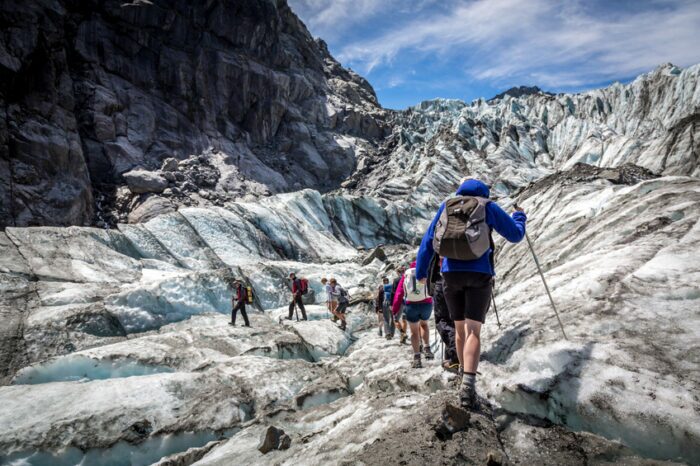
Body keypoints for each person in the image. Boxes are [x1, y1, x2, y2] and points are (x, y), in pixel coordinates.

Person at [416, 178, 526, 409]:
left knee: (459, 329)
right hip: (479, 274)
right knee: (474, 331)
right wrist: (520, 217)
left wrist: (421, 272)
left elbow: (427, 241)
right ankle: (468, 386)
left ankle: (459, 373)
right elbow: (515, 235)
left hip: (450, 275)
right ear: (484, 192)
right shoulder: (487, 206)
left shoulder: (447, 206)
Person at [392, 260, 434, 368]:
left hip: (411, 305)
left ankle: (417, 358)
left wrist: (395, 310)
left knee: (414, 332)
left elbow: (399, 293)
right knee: (424, 325)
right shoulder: (427, 270)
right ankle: (427, 348)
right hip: (426, 303)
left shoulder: (406, 274)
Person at [434, 276, 459, 372]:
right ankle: (467, 354)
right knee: (464, 319)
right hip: (475, 278)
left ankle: (455, 356)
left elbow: (421, 274)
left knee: (444, 320)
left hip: (445, 279)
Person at [390, 265, 408, 344]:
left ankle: (402, 333)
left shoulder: (396, 280)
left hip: (399, 302)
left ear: (398, 272)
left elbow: (393, 292)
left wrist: (391, 304)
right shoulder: (408, 278)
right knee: (404, 319)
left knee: (395, 319)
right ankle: (403, 337)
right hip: (407, 301)